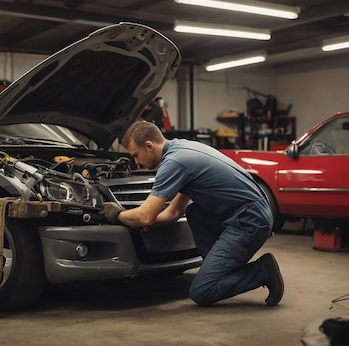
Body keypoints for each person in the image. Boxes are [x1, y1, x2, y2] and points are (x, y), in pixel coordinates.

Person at [99, 120, 284, 306]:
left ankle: (262, 271)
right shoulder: (183, 148)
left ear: (149, 146)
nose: (136, 163)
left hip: (249, 219)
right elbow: (174, 212)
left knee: (202, 291)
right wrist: (147, 223)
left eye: (136, 155)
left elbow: (146, 214)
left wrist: (117, 215)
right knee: (194, 211)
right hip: (251, 211)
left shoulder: (173, 162)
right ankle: (218, 269)